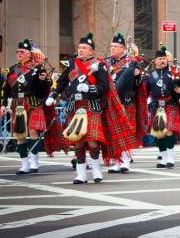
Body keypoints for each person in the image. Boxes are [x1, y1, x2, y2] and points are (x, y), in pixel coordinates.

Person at [46, 33, 137, 184]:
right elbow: (61, 83)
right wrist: (53, 95)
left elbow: (103, 87)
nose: (80, 50)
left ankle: (96, 170)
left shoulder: (99, 65)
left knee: (93, 140)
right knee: (78, 141)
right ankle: (81, 174)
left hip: (91, 106)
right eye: (79, 47)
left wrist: (89, 89)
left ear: (91, 52)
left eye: (84, 48)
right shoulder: (71, 64)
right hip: (75, 106)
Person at [0, 39, 52, 174]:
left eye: (21, 52)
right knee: (20, 134)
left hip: (33, 103)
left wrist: (44, 79)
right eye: (17, 52)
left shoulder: (38, 67)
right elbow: (5, 90)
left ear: (29, 54)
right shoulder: (12, 70)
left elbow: (48, 84)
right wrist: (3, 105)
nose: (19, 54)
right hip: (18, 104)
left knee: (33, 130)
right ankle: (25, 164)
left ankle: (34, 162)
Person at [104, 33, 147, 173]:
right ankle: (117, 161)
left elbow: (138, 84)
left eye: (116, 46)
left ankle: (125, 161)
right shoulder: (107, 63)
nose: (113, 49)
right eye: (111, 46)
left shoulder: (131, 62)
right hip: (110, 102)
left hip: (126, 102)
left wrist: (137, 75)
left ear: (123, 49)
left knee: (125, 132)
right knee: (114, 132)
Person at [145, 45, 180, 168]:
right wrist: (148, 103)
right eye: (160, 59)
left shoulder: (174, 72)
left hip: (171, 104)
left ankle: (171, 158)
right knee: (159, 132)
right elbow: (145, 92)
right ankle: (164, 158)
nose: (162, 61)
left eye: (164, 58)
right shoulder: (150, 75)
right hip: (157, 107)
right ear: (155, 60)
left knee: (168, 130)